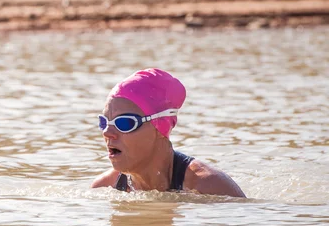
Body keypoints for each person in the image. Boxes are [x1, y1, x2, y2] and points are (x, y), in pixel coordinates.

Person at [91, 68, 246, 198]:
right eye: (104, 122)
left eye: (124, 123)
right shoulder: (105, 188)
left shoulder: (210, 187)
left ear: (160, 126)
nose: (107, 132)